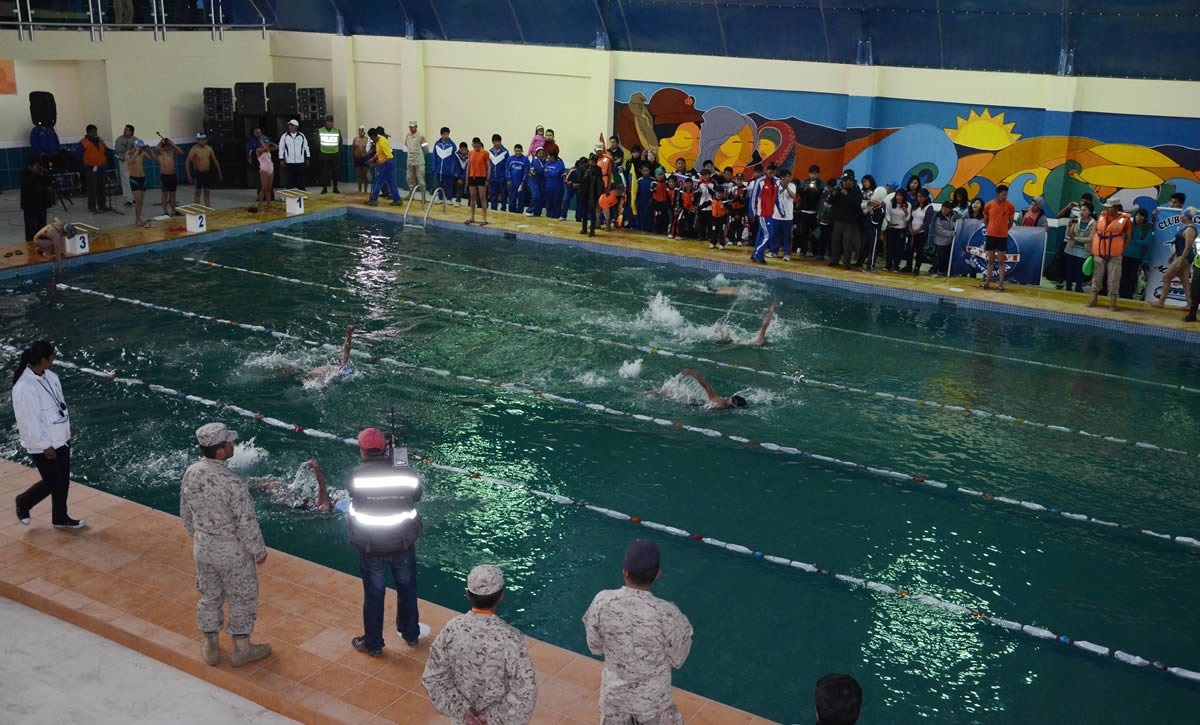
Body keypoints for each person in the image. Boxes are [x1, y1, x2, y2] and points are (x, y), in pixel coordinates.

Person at [180, 422, 271, 668]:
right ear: (220, 451)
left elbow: (186, 512)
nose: (233, 444)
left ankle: (210, 646)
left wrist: (199, 535)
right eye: (229, 442)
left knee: (210, 596)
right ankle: (242, 649)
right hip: (232, 552)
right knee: (242, 597)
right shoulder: (233, 483)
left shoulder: (192, 472)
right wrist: (259, 551)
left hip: (203, 547)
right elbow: (247, 523)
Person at [583, 540, 693, 725]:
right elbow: (678, 658)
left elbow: (594, 645)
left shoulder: (602, 601)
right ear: (658, 574)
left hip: (614, 699)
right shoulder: (668, 614)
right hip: (653, 705)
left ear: (624, 572)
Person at [348, 427, 430, 657]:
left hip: (371, 546)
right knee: (407, 589)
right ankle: (411, 634)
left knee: (374, 596)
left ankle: (373, 645)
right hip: (402, 544)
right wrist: (398, 464)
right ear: (385, 449)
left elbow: (353, 493)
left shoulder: (355, 475)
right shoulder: (404, 472)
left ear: (362, 450)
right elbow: (417, 496)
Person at [421, 565, 538, 725]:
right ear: (501, 596)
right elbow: (525, 691)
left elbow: (434, 677)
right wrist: (491, 719)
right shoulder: (510, 638)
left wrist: (464, 711)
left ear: (468, 595)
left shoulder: (452, 629)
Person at [12, 341, 84, 529]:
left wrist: (67, 427)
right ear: (43, 359)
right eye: (51, 357)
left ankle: (60, 518)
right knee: (52, 481)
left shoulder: (51, 376)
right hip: (42, 443)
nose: (53, 359)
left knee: (63, 481)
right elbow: (29, 420)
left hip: (60, 437)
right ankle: (23, 502)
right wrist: (45, 445)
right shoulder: (24, 387)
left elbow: (58, 404)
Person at [249, 459, 348, 514]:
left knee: (270, 483)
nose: (337, 498)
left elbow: (322, 486)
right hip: (294, 500)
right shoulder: (327, 511)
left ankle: (244, 486)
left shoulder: (324, 506)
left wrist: (316, 467)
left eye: (338, 500)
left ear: (336, 505)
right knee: (268, 484)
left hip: (288, 500)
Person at [1090, 199, 1131, 310]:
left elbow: (1128, 236)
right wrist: (1093, 249)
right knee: (1097, 276)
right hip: (1100, 252)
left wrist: (1122, 248)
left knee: (1114, 277)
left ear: (1117, 208)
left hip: (1115, 254)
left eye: (1110, 207)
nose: (1107, 209)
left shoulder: (1125, 220)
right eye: (1107, 207)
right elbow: (1096, 233)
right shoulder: (1101, 217)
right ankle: (1094, 299)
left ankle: (1113, 303)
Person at [1154, 197, 1194, 310]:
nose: (1180, 216)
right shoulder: (1184, 227)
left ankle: (1161, 302)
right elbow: (1179, 243)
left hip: (1184, 257)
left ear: (1187, 216)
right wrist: (1173, 254)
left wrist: (1181, 259)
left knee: (1167, 277)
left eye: (1182, 215)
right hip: (1183, 256)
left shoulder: (1190, 229)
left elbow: (1188, 246)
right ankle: (1190, 304)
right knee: (1185, 282)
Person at [981, 185, 1016, 291]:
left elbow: (1011, 221)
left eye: (1006, 194)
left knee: (1001, 261)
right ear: (997, 194)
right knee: (990, 260)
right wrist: (991, 229)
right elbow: (985, 220)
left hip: (1002, 237)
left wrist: (1004, 230)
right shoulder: (989, 205)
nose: (1005, 197)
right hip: (991, 236)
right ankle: (987, 282)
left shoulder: (1010, 206)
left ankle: (1000, 284)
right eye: (1003, 194)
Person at [748, 162, 781, 264]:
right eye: (770, 169)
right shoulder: (760, 181)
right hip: (762, 214)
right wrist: (752, 212)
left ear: (776, 171)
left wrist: (781, 210)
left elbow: (777, 198)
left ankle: (756, 255)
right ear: (767, 170)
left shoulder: (777, 182)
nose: (772, 171)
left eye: (774, 170)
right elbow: (753, 198)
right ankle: (758, 254)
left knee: (761, 235)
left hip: (770, 214)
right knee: (768, 235)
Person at [829, 171, 863, 269]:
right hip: (838, 220)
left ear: (852, 182)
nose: (845, 183)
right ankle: (834, 260)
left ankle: (846, 263)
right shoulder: (839, 190)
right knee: (835, 241)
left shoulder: (856, 192)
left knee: (847, 243)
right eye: (844, 181)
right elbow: (830, 201)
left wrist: (846, 195)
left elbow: (856, 205)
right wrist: (834, 194)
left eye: (848, 181)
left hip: (849, 222)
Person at [713, 300, 778, 347]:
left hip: (731, 343)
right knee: (720, 330)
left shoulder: (760, 340)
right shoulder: (759, 342)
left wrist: (771, 311)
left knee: (719, 329)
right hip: (734, 342)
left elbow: (765, 325)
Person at [1121, 208, 1154, 299]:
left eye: (1141, 216)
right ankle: (1121, 293)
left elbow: (1147, 242)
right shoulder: (1130, 225)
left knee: (1132, 277)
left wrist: (1132, 240)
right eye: (1138, 215)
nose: (1139, 218)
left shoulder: (1147, 228)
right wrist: (1136, 241)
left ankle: (1129, 294)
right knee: (1123, 275)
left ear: (1145, 218)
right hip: (1125, 254)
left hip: (1137, 257)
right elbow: (1124, 237)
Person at [1063, 201, 1095, 293]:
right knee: (1069, 270)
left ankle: (1078, 287)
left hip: (1084, 251)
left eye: (1084, 210)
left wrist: (1076, 238)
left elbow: (1089, 239)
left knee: (1079, 271)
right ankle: (1068, 287)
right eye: (1081, 210)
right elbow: (1069, 235)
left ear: (1089, 212)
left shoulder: (1094, 223)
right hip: (1071, 248)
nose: (1081, 212)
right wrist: (1069, 227)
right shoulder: (1075, 219)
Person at [20, 155, 53, 244]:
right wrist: (34, 174)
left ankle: (43, 242)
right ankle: (30, 244)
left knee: (42, 225)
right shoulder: (24, 173)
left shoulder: (41, 172)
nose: (39, 167)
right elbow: (28, 186)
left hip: (41, 204)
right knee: (30, 227)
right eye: (37, 165)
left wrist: (42, 175)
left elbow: (49, 182)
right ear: (31, 165)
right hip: (29, 205)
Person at [366, 128, 402, 207]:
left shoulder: (382, 142)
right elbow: (379, 153)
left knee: (377, 182)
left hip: (386, 164)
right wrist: (372, 159)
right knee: (391, 182)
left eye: (371, 138)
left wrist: (380, 162)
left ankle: (373, 200)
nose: (372, 140)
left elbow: (390, 156)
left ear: (374, 136)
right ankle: (397, 200)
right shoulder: (379, 140)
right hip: (387, 163)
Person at [77, 124, 109, 213]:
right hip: (91, 169)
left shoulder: (100, 141)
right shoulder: (83, 142)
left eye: (96, 131)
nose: (95, 133)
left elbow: (104, 152)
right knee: (92, 189)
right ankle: (92, 206)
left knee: (101, 188)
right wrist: (86, 167)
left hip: (101, 168)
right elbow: (79, 157)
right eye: (93, 132)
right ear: (88, 132)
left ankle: (102, 205)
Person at [125, 139, 156, 228]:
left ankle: (138, 219)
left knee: (141, 202)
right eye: (140, 147)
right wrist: (136, 152)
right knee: (138, 201)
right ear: (136, 147)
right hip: (134, 179)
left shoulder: (142, 153)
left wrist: (150, 151)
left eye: (142, 148)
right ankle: (138, 220)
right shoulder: (129, 153)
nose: (142, 149)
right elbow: (130, 162)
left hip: (142, 179)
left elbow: (154, 159)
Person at [185, 134, 223, 207]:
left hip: (207, 173)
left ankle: (208, 208)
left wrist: (220, 172)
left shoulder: (209, 149)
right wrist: (188, 175)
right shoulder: (194, 149)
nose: (202, 141)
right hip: (198, 174)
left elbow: (215, 160)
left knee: (207, 192)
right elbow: (187, 162)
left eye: (203, 140)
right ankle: (197, 210)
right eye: (200, 140)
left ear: (206, 140)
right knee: (197, 193)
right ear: (198, 141)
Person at [794, 165, 824, 256]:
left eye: (815, 173)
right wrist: (806, 190)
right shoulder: (804, 182)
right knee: (804, 233)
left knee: (816, 234)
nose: (813, 175)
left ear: (818, 174)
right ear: (809, 173)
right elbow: (801, 195)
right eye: (811, 173)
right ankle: (803, 251)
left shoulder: (821, 183)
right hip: (804, 212)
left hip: (815, 213)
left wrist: (816, 190)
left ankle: (815, 251)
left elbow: (820, 196)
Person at [155, 134, 184, 218]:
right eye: (166, 145)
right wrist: (162, 141)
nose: (167, 146)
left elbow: (181, 152)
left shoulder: (172, 150)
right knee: (164, 194)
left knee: (172, 194)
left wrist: (172, 143)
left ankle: (174, 211)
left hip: (172, 176)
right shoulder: (160, 152)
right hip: (164, 176)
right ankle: (165, 212)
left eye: (168, 145)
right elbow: (157, 148)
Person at [907, 188, 934, 275]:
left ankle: (917, 267)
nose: (919, 198)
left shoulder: (929, 207)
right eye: (918, 196)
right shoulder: (915, 205)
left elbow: (927, 222)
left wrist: (918, 230)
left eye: (921, 197)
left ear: (925, 197)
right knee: (910, 250)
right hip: (912, 232)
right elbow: (911, 218)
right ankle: (908, 266)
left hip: (921, 233)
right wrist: (910, 228)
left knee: (919, 251)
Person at [883, 189, 911, 272]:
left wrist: (906, 212)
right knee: (890, 247)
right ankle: (888, 265)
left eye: (901, 196)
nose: (899, 197)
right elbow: (887, 214)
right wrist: (889, 222)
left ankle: (896, 265)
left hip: (901, 229)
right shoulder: (890, 203)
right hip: (891, 228)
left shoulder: (908, 205)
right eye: (897, 195)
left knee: (898, 248)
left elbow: (907, 219)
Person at [278, 119, 310, 190]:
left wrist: (307, 158)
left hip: (300, 161)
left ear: (296, 127)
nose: (290, 127)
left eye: (292, 125)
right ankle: (290, 196)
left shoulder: (302, 136)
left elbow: (306, 147)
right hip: (289, 162)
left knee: (301, 180)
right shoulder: (284, 136)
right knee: (290, 180)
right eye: (289, 125)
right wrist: (281, 159)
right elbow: (281, 148)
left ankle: (302, 195)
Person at [771, 169, 795, 260]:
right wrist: (783, 188)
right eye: (786, 177)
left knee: (787, 236)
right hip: (776, 215)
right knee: (775, 235)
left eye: (789, 177)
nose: (788, 179)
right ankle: (774, 252)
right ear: (782, 178)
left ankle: (787, 254)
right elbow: (774, 196)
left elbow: (793, 196)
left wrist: (787, 187)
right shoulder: (776, 185)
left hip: (788, 217)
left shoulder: (792, 185)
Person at [929, 200, 956, 278]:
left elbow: (954, 224)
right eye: (942, 208)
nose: (943, 210)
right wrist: (952, 233)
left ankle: (943, 271)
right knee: (938, 258)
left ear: (949, 209)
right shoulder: (938, 217)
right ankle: (934, 271)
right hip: (939, 241)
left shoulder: (952, 216)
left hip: (948, 242)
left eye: (945, 209)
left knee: (946, 258)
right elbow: (939, 230)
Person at [466, 137, 490, 226]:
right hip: (472, 176)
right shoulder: (470, 153)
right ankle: (472, 217)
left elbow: (489, 166)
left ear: (480, 144)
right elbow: (469, 165)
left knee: (482, 198)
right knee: (472, 197)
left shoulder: (485, 153)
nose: (476, 146)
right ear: (473, 145)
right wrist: (467, 178)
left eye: (478, 144)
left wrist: (487, 178)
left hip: (481, 177)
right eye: (474, 145)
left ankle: (484, 218)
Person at [579, 154, 604, 236]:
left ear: (596, 162)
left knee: (592, 212)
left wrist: (592, 176)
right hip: (584, 192)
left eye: (593, 162)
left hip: (592, 194)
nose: (591, 163)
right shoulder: (583, 168)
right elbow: (580, 180)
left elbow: (600, 182)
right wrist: (586, 176)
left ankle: (592, 230)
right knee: (584, 211)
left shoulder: (598, 170)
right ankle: (584, 228)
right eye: (590, 161)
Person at [114, 124, 138, 207]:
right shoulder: (120, 139)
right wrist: (128, 148)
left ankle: (134, 197)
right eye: (124, 129)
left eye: (127, 130)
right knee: (125, 180)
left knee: (134, 180)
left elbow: (139, 149)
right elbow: (118, 149)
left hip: (133, 162)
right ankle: (128, 199)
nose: (124, 131)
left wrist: (133, 150)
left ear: (131, 132)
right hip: (124, 162)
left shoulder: (135, 140)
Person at [432, 126, 458, 204]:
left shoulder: (452, 145)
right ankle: (440, 198)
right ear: (441, 134)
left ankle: (449, 199)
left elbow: (454, 158)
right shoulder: (437, 144)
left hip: (449, 170)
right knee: (440, 185)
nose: (446, 136)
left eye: (447, 134)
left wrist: (453, 170)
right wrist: (433, 168)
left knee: (449, 185)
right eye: (444, 134)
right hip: (439, 169)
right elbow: (434, 157)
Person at [318, 114, 342, 194]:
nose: (329, 123)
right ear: (325, 122)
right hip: (324, 154)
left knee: (335, 172)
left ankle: (335, 188)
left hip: (335, 154)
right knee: (324, 173)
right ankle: (324, 188)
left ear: (332, 123)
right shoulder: (320, 130)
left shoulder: (337, 130)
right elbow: (317, 142)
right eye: (327, 121)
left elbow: (340, 142)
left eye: (330, 122)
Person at [404, 121, 428, 198]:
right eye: (410, 127)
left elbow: (426, 149)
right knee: (409, 178)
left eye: (412, 127)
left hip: (419, 162)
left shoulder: (421, 136)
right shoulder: (408, 136)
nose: (411, 128)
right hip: (410, 161)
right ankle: (411, 195)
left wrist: (419, 155)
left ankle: (423, 197)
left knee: (421, 180)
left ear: (416, 127)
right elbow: (406, 144)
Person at [255, 136, 278, 213]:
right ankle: (260, 205)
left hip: (271, 168)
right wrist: (261, 141)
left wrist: (270, 142)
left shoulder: (268, 149)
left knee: (269, 188)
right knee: (263, 188)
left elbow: (277, 147)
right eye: (265, 142)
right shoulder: (258, 150)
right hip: (264, 169)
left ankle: (269, 204)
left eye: (266, 143)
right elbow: (265, 149)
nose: (266, 144)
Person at [506, 145, 530, 215]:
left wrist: (523, 182)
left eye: (519, 151)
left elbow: (526, 172)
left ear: (522, 151)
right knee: (512, 198)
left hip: (521, 184)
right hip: (512, 183)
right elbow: (507, 170)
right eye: (516, 151)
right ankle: (511, 212)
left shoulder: (525, 160)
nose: (517, 152)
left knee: (521, 199)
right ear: (514, 151)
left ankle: (520, 212)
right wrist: (509, 179)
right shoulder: (510, 159)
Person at [487, 135, 509, 211]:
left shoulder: (505, 151)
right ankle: (493, 209)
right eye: (496, 141)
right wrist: (488, 177)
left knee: (503, 195)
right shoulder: (489, 152)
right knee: (493, 195)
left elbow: (507, 165)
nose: (497, 143)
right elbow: (488, 165)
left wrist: (505, 176)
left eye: (499, 141)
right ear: (493, 142)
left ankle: (503, 209)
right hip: (492, 178)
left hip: (502, 178)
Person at [544, 149, 566, 221]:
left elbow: (556, 174)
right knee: (549, 203)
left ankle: (556, 217)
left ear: (552, 156)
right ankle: (549, 216)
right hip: (548, 186)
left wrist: (549, 171)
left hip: (557, 187)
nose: (547, 157)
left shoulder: (560, 163)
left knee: (557, 203)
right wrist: (551, 173)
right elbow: (545, 173)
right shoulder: (548, 163)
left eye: (548, 155)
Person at [526, 147, 548, 217]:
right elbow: (540, 170)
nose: (541, 155)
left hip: (541, 181)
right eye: (539, 153)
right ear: (536, 154)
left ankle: (537, 213)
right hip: (533, 180)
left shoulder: (546, 160)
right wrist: (545, 170)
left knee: (541, 197)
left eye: (542, 153)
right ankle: (529, 210)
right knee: (536, 196)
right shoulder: (535, 160)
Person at [353, 126, 370, 193]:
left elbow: (370, 150)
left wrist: (370, 161)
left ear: (365, 132)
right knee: (359, 176)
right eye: (359, 131)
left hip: (365, 158)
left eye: (362, 131)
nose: (360, 132)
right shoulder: (355, 139)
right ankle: (359, 190)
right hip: (357, 158)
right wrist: (353, 160)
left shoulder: (368, 140)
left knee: (365, 176)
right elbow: (353, 150)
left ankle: (365, 190)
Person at [454, 141, 470, 207]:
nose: (464, 151)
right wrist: (460, 178)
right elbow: (457, 167)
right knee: (459, 185)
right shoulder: (456, 155)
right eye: (462, 150)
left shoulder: (470, 155)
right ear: (459, 149)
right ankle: (458, 200)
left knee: (470, 188)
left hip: (468, 175)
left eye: (465, 150)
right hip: (459, 175)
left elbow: (468, 168)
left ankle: (470, 202)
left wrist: (464, 178)